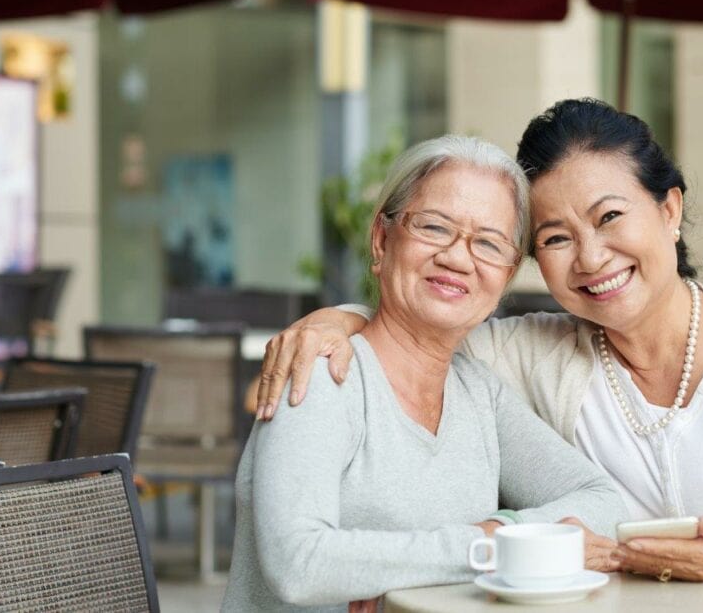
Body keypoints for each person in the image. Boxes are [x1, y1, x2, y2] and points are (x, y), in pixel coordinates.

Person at [254, 98, 703, 582]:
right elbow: (418, 332)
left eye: (610, 217)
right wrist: (338, 319)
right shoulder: (520, 355)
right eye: (554, 238)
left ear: (669, 209)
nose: (591, 256)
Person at [222, 134, 627, 612]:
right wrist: (489, 548)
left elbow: (602, 501)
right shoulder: (325, 372)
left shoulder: (479, 394)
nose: (458, 257)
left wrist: (498, 532)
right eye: (434, 228)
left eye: (489, 244)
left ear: (506, 276)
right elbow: (299, 564)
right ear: (382, 239)